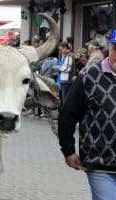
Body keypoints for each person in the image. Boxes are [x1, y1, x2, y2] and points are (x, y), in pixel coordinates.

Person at [58, 29, 116, 200]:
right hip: (99, 163)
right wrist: (68, 150)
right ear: (110, 48)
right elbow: (67, 114)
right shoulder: (88, 75)